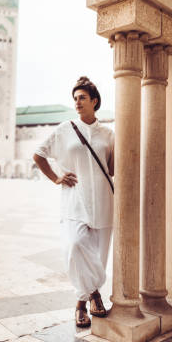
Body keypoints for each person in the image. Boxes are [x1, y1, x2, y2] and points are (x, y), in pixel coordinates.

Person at [33, 76, 114, 328]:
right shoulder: (65, 129)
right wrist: (57, 177)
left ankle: (82, 303)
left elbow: (111, 169)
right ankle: (92, 294)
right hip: (74, 200)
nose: (77, 102)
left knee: (99, 256)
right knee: (75, 245)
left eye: (82, 98)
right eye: (75, 98)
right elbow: (38, 155)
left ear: (95, 101)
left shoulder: (108, 133)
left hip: (103, 199)